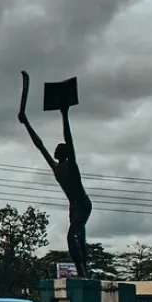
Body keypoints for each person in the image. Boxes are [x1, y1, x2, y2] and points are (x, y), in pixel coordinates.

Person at [18, 103, 93, 278]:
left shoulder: (71, 166)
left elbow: (69, 139)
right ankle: (84, 270)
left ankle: (82, 272)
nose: (55, 149)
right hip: (73, 206)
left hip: (83, 204)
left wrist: (64, 115)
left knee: (72, 236)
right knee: (79, 237)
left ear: (65, 153)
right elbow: (40, 145)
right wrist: (26, 123)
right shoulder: (56, 167)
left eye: (59, 148)